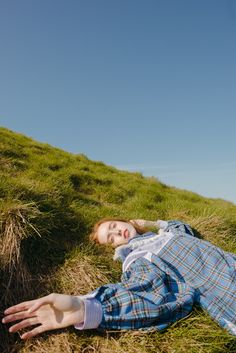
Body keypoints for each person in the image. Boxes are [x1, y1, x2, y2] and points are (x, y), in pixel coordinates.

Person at [2, 218, 236, 339]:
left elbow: (183, 228)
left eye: (113, 226)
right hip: (226, 292)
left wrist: (150, 224)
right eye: (111, 238)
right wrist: (85, 308)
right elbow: (147, 293)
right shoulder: (138, 257)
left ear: (123, 220)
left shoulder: (164, 234)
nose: (116, 233)